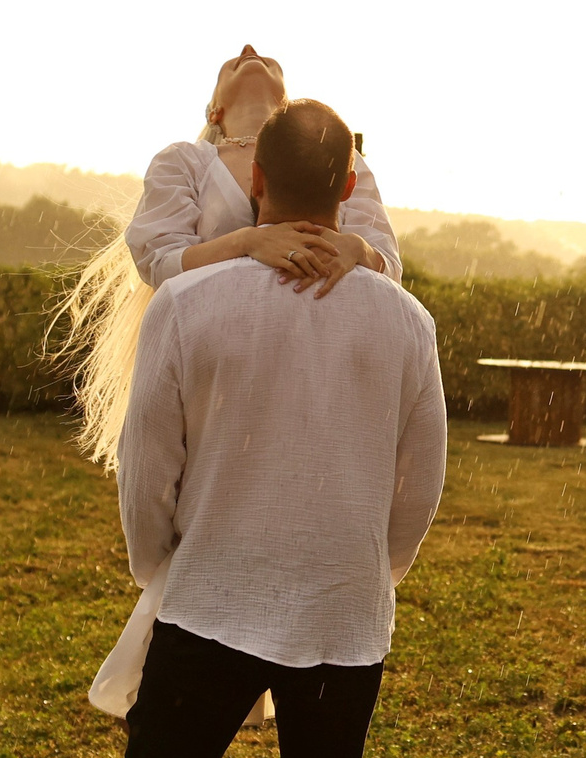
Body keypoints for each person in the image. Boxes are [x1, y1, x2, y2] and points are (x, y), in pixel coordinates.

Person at [94, 98, 448, 758]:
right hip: (344, 619)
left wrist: (165, 566)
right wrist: (367, 572)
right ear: (348, 187)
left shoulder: (191, 305)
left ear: (253, 188)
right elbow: (421, 481)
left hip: (213, 601)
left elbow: (144, 468)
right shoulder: (403, 321)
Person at [59, 45, 404, 477]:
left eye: (268, 58)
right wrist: (247, 242)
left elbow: (388, 265)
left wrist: (357, 248)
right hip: (221, 356)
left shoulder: (333, 157)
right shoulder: (184, 162)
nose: (249, 50)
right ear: (215, 111)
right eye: (231, 62)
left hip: (318, 356)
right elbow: (158, 260)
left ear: (286, 106)